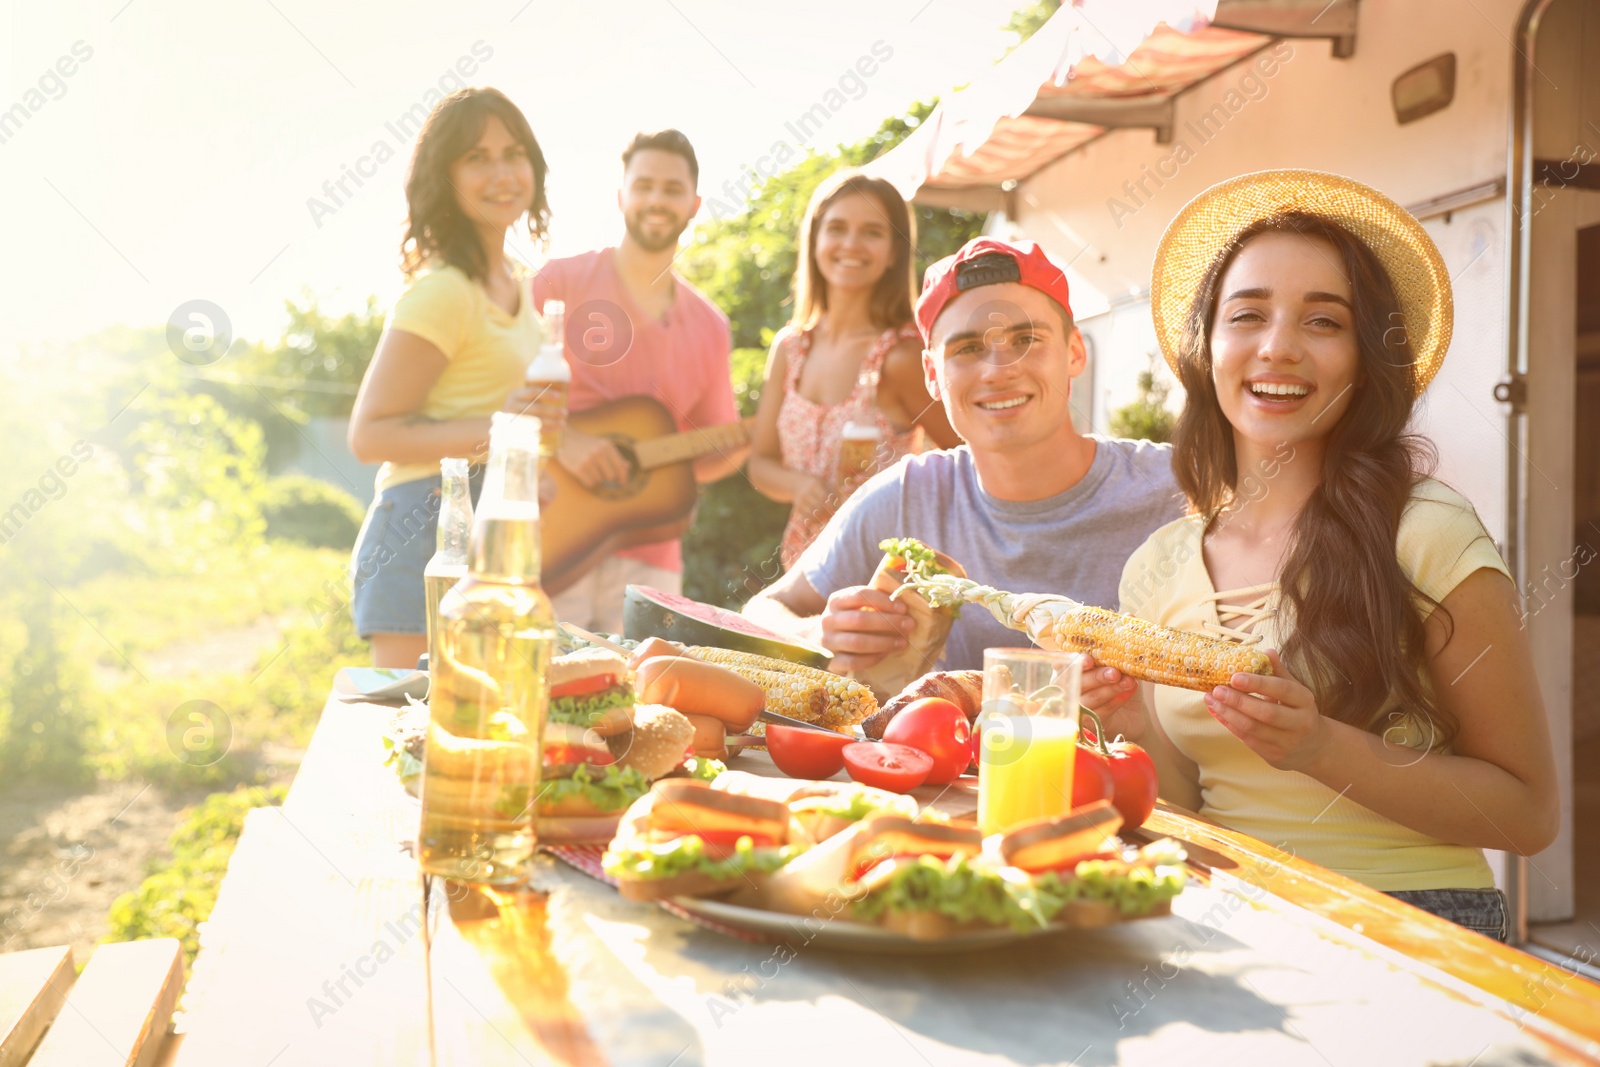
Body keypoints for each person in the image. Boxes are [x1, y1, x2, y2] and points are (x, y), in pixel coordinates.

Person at [1080, 170, 1559, 940]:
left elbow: (1529, 812)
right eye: (1248, 315)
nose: (1279, 348)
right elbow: (1184, 802)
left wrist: (1322, 746)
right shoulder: (1156, 565)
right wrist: (1132, 717)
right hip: (1224, 907)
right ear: (1207, 347)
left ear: (1366, 359)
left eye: (1324, 322)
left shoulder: (1428, 533)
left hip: (1417, 921)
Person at [745, 237, 1183, 672]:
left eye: (1026, 339)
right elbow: (762, 611)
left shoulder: (1179, 489)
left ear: (1074, 352)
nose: (999, 369)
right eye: (968, 349)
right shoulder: (907, 495)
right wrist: (820, 633)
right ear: (932, 376)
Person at [346, 88, 562, 668]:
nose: (502, 172)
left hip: (488, 529)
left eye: (513, 153)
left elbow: (507, 418)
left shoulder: (517, 283)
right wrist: (501, 428)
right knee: (407, 737)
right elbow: (370, 435)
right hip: (423, 525)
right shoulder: (443, 291)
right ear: (445, 176)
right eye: (476, 157)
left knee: (477, 737)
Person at [531, 129, 745, 633]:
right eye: (643, 184)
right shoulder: (558, 283)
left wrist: (757, 437)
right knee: (537, 695)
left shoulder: (710, 325)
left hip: (651, 556)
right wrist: (566, 440)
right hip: (547, 534)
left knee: (636, 703)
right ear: (621, 195)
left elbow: (712, 451)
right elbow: (496, 389)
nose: (656, 199)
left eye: (672, 189)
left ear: (694, 205)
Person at [747, 170, 959, 568]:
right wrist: (799, 486)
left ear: (894, 250)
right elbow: (760, 464)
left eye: (872, 232)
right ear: (815, 240)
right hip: (802, 567)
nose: (851, 244)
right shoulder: (790, 349)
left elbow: (970, 458)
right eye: (837, 228)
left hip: (884, 576)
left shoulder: (901, 357)